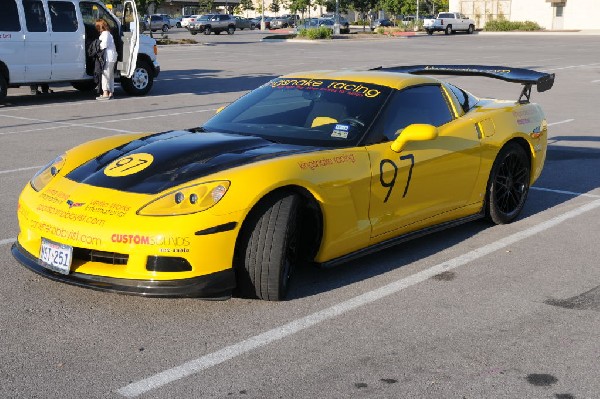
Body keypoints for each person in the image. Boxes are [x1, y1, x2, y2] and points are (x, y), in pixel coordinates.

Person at [94, 18, 118, 100]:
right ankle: (111, 92)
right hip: (112, 57)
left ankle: (105, 93)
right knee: (110, 76)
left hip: (108, 57)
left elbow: (103, 45)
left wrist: (96, 46)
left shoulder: (105, 34)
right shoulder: (109, 34)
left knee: (105, 75)